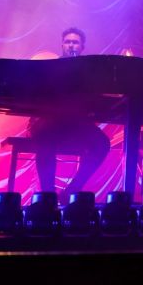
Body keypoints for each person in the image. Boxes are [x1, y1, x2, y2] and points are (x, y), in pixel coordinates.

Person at [29, 27, 111, 197]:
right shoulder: (51, 68)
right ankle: (48, 194)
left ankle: (73, 190)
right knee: (44, 137)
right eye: (67, 42)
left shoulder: (89, 72)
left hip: (76, 125)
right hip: (51, 121)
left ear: (82, 47)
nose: (71, 45)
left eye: (75, 42)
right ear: (62, 45)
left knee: (102, 143)